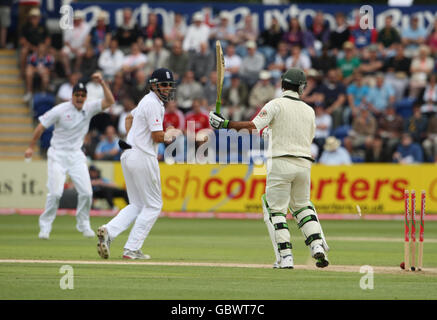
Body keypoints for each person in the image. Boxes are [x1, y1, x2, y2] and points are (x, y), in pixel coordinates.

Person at [209, 68, 329, 269]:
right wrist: (272, 135)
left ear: (282, 85)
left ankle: (286, 257)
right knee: (302, 207)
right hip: (304, 164)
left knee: (276, 211)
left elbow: (253, 126)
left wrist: (225, 124)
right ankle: (317, 245)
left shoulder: (275, 104)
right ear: (301, 88)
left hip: (280, 162)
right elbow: (305, 136)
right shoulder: (310, 110)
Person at [96, 68, 178, 260]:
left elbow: (129, 117)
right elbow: (157, 136)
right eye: (163, 85)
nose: (167, 89)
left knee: (138, 204)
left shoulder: (146, 101)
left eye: (169, 85)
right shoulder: (153, 104)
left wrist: (134, 136)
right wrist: (171, 134)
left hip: (128, 154)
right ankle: (131, 249)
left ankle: (109, 230)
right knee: (154, 205)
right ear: (154, 85)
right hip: (142, 156)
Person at [24, 72, 116, 239]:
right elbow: (41, 126)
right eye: (77, 95)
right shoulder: (60, 110)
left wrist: (102, 82)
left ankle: (83, 224)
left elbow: (110, 101)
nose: (80, 98)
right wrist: (31, 147)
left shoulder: (89, 108)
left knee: (87, 193)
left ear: (86, 96)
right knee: (55, 193)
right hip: (57, 155)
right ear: (72, 96)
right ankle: (45, 227)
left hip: (76, 155)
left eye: (82, 95)